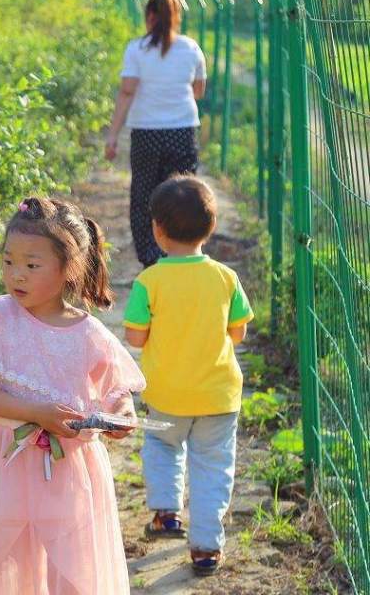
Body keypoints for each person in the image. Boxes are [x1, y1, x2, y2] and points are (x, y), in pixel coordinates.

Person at [0, 197, 145, 595]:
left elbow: (116, 391)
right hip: (9, 461)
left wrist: (120, 415)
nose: (16, 274)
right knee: (11, 558)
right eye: (8, 261)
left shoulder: (89, 334)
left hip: (71, 470)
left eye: (31, 265)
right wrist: (37, 413)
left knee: (73, 564)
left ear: (67, 269)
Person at [122, 176, 254, 577]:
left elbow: (134, 336)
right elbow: (238, 332)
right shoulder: (225, 278)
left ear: (157, 231)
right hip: (217, 395)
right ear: (210, 227)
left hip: (166, 393)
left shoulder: (149, 281)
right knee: (213, 467)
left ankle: (165, 513)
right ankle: (206, 547)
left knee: (162, 446)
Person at [105, 0, 207, 267]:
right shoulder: (191, 48)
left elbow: (127, 93)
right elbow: (198, 91)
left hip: (146, 133)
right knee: (183, 195)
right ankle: (181, 254)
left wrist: (112, 136)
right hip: (182, 131)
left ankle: (151, 259)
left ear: (150, 16)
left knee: (144, 196)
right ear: (176, 17)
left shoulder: (136, 49)